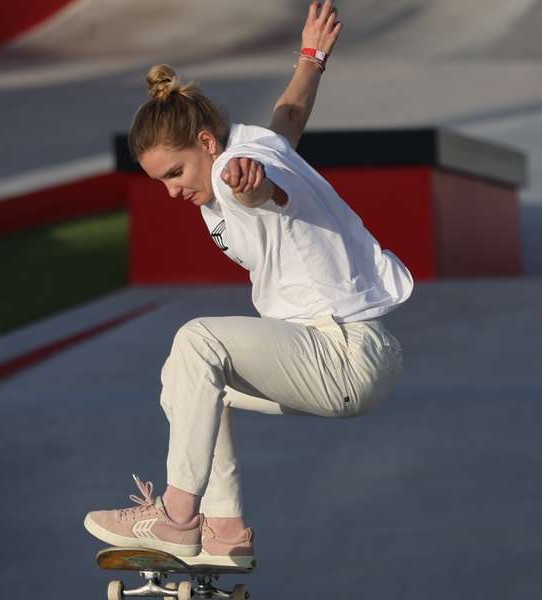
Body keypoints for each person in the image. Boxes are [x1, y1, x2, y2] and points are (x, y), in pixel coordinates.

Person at [83, 1, 413, 568]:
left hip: (339, 354)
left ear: (207, 144)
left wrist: (255, 191)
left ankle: (177, 518)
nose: (171, 192)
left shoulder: (241, 172)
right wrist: (311, 59)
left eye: (175, 174)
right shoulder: (258, 145)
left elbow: (268, 192)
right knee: (185, 385)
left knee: (197, 340)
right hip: (342, 356)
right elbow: (289, 119)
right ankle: (226, 530)